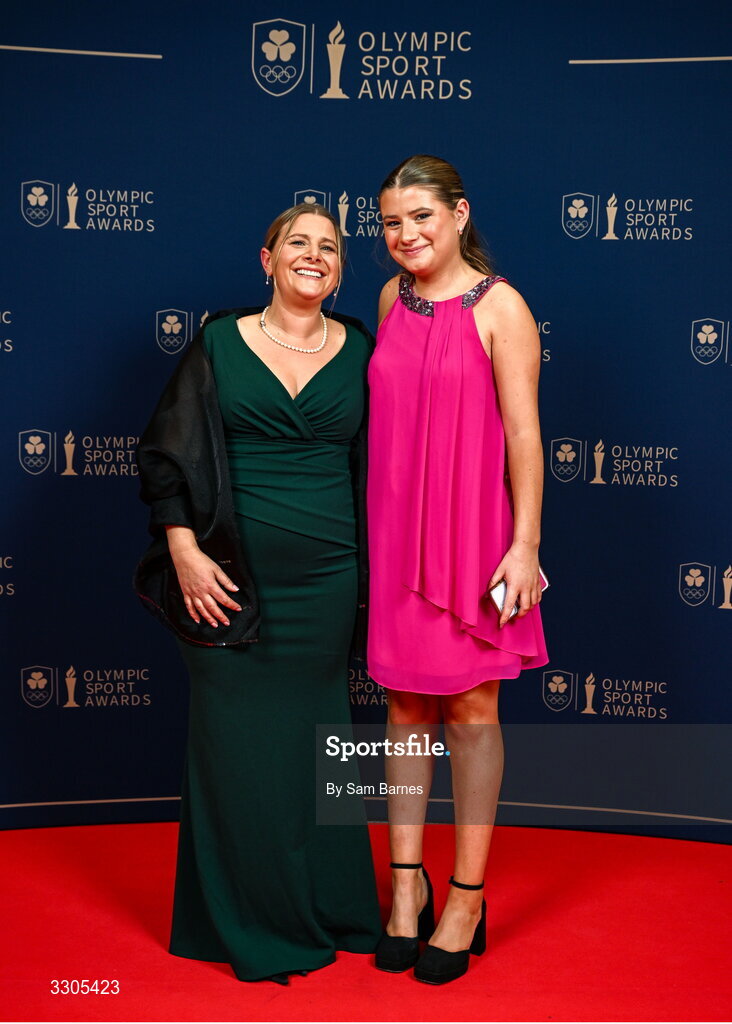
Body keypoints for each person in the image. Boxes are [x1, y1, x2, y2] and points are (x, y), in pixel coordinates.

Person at [134, 202, 381, 984]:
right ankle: (243, 919)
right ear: (266, 259)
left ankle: (339, 904)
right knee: (235, 751)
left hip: (330, 581)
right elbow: (165, 460)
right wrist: (183, 551)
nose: (315, 256)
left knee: (323, 741)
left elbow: (392, 469)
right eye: (298, 244)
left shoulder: (363, 351)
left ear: (341, 269)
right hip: (229, 582)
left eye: (330, 249)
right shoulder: (216, 344)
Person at [367, 155, 549, 984]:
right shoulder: (386, 302)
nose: (406, 236)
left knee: (473, 708)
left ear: (460, 213)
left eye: (420, 218)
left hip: (477, 536)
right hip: (399, 532)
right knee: (404, 705)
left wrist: (524, 545)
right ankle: (406, 891)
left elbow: (522, 437)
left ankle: (467, 897)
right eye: (391, 223)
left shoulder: (503, 307)